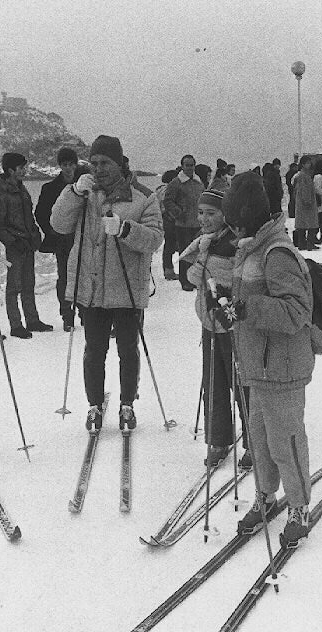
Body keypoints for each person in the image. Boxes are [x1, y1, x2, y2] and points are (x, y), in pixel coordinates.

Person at [208, 171, 314, 548]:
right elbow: (247, 303)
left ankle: (300, 508)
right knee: (262, 442)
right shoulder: (251, 249)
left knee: (285, 441)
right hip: (257, 365)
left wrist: (244, 308)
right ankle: (267, 496)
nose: (232, 232)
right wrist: (225, 302)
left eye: (235, 223)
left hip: (282, 367)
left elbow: (296, 311)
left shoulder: (277, 252)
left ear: (249, 218)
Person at [51, 135, 163, 432]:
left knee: (128, 349)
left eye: (104, 163)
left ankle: (127, 404)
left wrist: (125, 229)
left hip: (126, 287)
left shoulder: (142, 196)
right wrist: (73, 193)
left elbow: (154, 239)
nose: (98, 168)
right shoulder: (84, 192)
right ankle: (94, 405)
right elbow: (58, 225)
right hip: (90, 287)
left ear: (119, 163)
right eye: (94, 162)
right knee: (94, 350)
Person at [182, 188, 251, 468]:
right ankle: (218, 438)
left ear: (225, 214)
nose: (203, 219)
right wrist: (201, 260)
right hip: (209, 322)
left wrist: (208, 268)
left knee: (241, 382)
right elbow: (189, 276)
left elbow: (238, 278)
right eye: (200, 213)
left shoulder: (237, 243)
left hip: (233, 323)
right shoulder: (203, 242)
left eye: (210, 213)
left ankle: (254, 440)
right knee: (213, 383)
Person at [0, 152, 52, 338]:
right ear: (11, 170)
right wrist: (13, 241)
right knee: (13, 287)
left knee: (28, 283)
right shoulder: (0, 195)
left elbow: (29, 217)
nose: (25, 170)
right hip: (16, 246)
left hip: (27, 244)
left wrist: (35, 234)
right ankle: (16, 325)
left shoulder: (22, 190)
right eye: (21, 167)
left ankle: (32, 320)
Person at [35, 147, 81, 331]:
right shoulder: (50, 188)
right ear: (60, 166)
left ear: (76, 164)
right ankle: (67, 316)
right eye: (64, 164)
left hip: (82, 239)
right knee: (64, 277)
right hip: (62, 241)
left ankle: (85, 313)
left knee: (83, 276)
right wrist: (51, 231)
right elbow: (40, 213)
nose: (68, 168)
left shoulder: (85, 185)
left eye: (71, 164)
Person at [163, 154, 205, 290]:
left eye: (192, 165)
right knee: (185, 253)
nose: (189, 168)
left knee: (197, 254)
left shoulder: (199, 183)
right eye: (187, 165)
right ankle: (184, 280)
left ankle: (193, 279)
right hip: (183, 225)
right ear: (182, 166)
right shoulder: (176, 182)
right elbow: (167, 201)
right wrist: (178, 213)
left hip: (197, 224)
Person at [292, 155, 318, 250]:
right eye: (307, 163)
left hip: (301, 203)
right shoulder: (304, 176)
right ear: (303, 164)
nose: (309, 164)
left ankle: (302, 243)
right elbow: (305, 190)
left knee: (302, 225)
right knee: (311, 224)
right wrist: (308, 201)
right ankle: (309, 244)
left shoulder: (301, 175)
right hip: (307, 203)